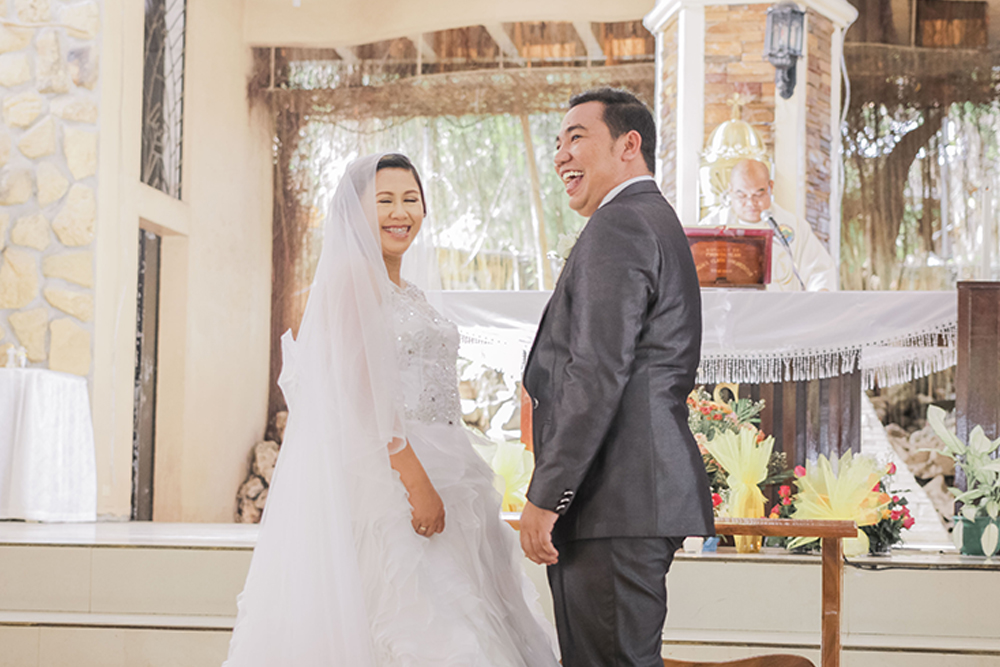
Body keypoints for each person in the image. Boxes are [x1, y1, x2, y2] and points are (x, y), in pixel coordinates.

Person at [224, 153, 559, 667]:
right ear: (355, 214)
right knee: (422, 622)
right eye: (383, 201)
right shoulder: (351, 280)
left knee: (471, 610)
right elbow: (359, 395)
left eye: (410, 199)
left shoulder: (408, 290)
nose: (399, 212)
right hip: (393, 474)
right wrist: (414, 481)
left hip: (448, 462)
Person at [520, 88, 715, 666]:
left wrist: (547, 496)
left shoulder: (621, 224)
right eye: (557, 142)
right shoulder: (648, 217)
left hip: (615, 497)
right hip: (628, 497)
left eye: (577, 137)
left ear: (629, 145)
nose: (561, 154)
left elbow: (597, 372)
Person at [695, 158, 837, 291]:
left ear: (770, 187)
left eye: (758, 194)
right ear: (730, 190)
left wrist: (819, 296)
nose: (751, 203)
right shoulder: (710, 226)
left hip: (782, 308)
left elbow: (820, 272)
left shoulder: (795, 227)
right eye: (742, 195)